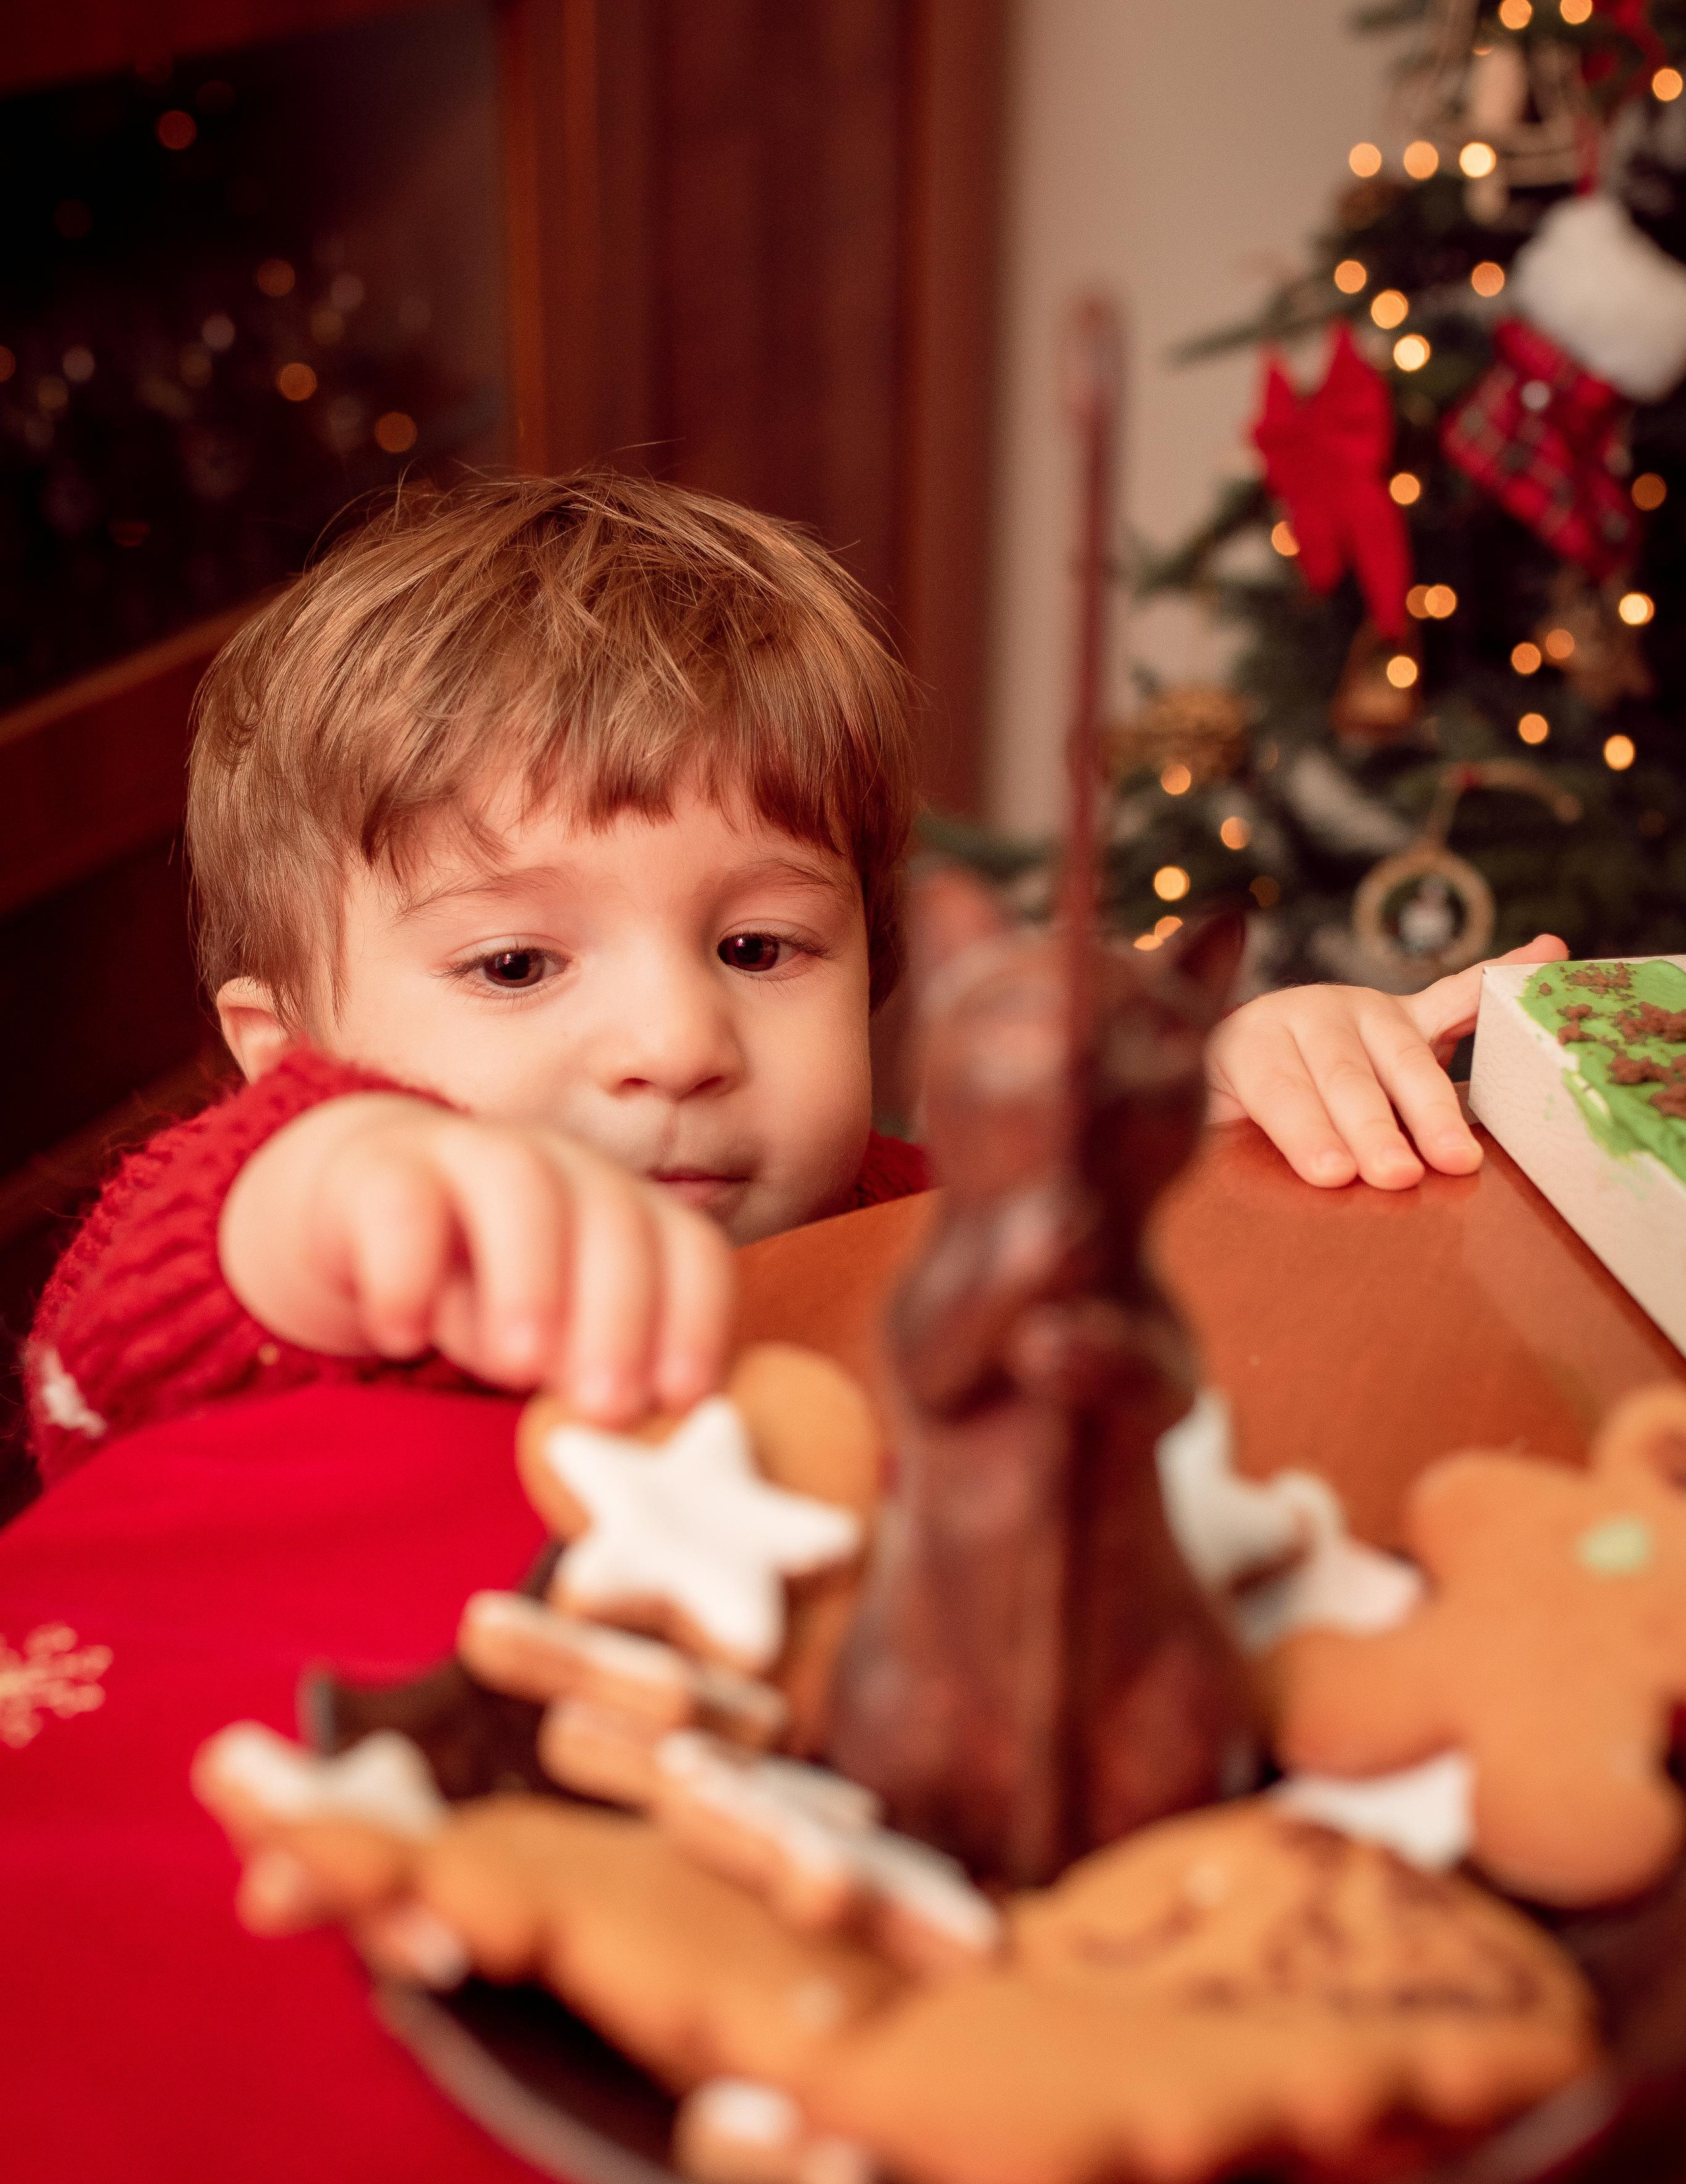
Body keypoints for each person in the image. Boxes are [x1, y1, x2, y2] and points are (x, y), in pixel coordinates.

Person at [22, 470, 1565, 1491]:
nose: (677, 1043)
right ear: (278, 1057)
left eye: (756, 949)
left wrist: (1218, 1119)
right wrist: (312, 1180)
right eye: (513, 963)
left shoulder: (890, 1221)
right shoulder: (271, 1292)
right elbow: (99, 1368)